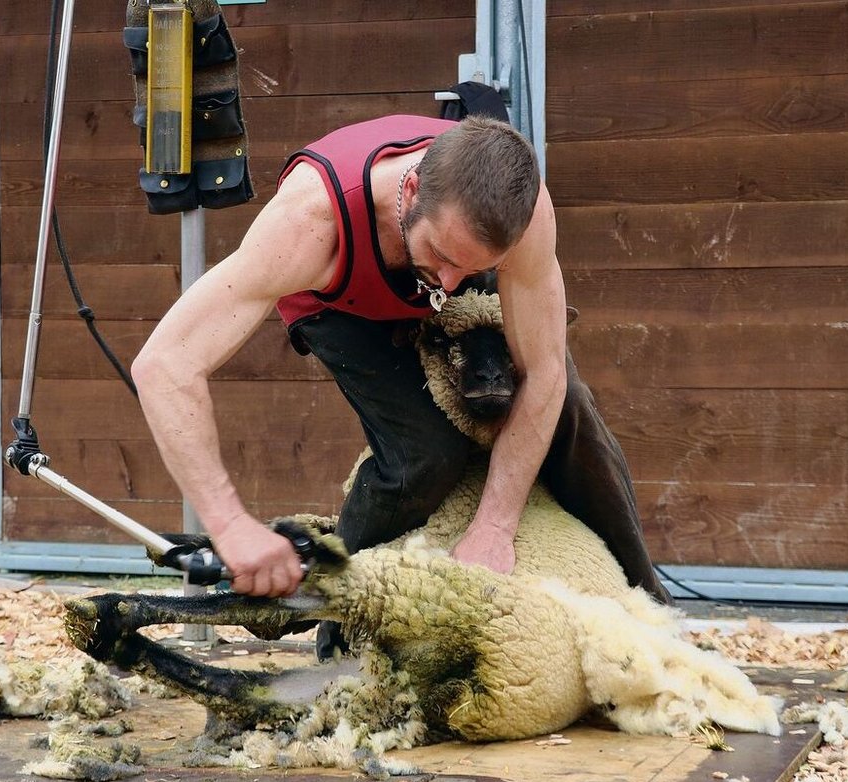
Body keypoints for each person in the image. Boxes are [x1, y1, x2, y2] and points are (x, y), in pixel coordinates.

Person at [133, 114, 670, 654]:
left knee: (572, 412)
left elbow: (544, 372)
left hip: (447, 244)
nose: (450, 285)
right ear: (411, 190)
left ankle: (656, 617)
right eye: (443, 257)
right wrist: (229, 524)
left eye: (473, 269)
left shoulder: (521, 216)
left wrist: (494, 527)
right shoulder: (309, 223)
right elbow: (164, 365)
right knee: (424, 455)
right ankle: (338, 625)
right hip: (340, 294)